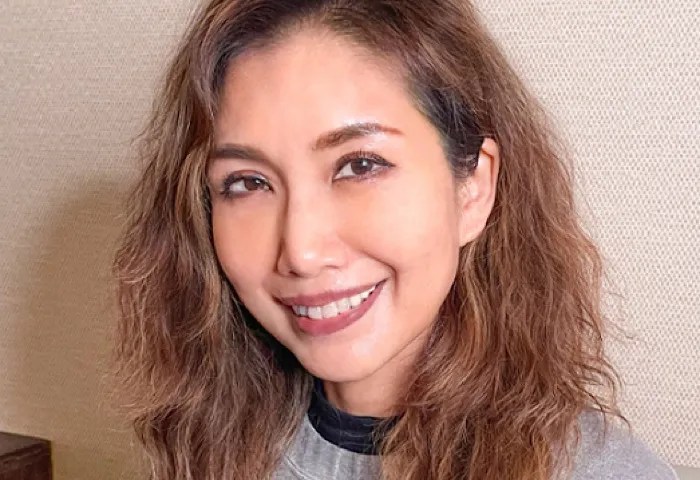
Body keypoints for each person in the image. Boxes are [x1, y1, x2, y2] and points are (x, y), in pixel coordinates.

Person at [112, 0, 678, 479]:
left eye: (359, 165)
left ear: (472, 189)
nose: (302, 251)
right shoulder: (203, 442)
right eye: (248, 183)